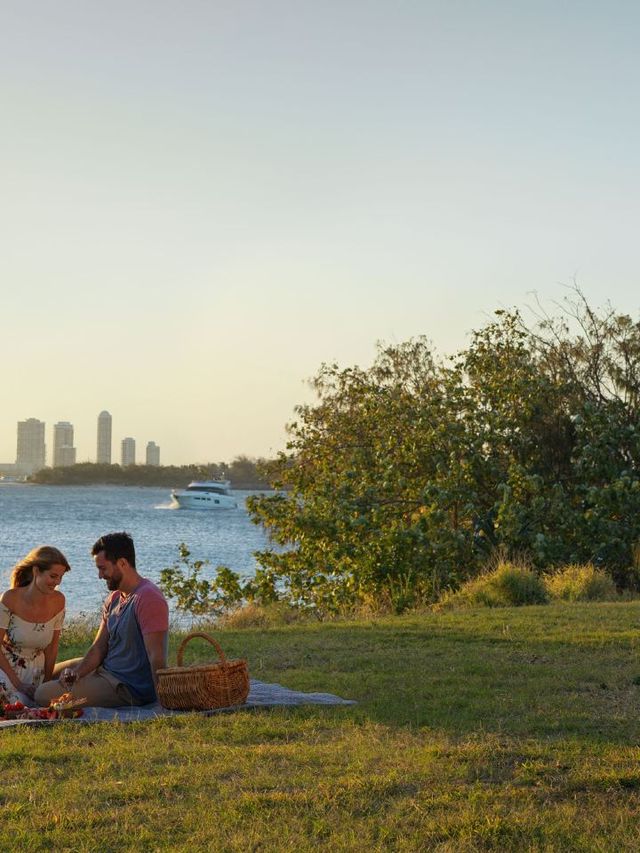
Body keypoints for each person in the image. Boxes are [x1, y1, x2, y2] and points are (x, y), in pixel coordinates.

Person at [35, 531, 169, 708]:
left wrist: (163, 701)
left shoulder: (148, 598)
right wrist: (78, 673)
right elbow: (99, 647)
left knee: (42, 694)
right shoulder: (114, 598)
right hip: (106, 669)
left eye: (103, 568)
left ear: (122, 563)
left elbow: (156, 656)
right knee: (41, 675)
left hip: (125, 687)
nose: (99, 576)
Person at [0, 546, 70, 705]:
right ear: (36, 571)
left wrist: (46, 682)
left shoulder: (59, 601)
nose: (57, 582)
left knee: (42, 700)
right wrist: (18, 684)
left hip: (36, 672)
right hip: (5, 669)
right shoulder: (10, 598)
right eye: (53, 576)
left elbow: (52, 648)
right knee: (10, 701)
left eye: (61, 577)